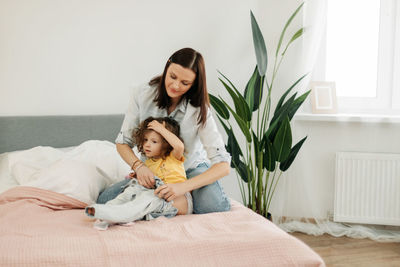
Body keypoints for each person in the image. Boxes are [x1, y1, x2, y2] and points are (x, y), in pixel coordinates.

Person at [97, 47, 231, 214]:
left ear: (194, 83)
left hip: (191, 169)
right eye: (172, 76)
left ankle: (185, 196)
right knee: (104, 200)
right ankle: (174, 202)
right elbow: (123, 143)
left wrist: (182, 187)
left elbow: (223, 166)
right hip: (154, 170)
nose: (175, 86)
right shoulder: (142, 93)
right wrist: (139, 167)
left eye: (185, 83)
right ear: (167, 67)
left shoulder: (198, 109)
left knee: (213, 206)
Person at [85, 117, 192, 229]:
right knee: (131, 191)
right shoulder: (148, 162)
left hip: (177, 200)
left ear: (166, 144)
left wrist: (161, 129)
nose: (147, 145)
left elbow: (179, 146)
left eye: (154, 141)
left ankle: (122, 215)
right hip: (157, 194)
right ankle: (105, 212)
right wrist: (137, 176)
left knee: (146, 198)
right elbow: (151, 181)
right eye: (145, 140)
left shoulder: (173, 157)